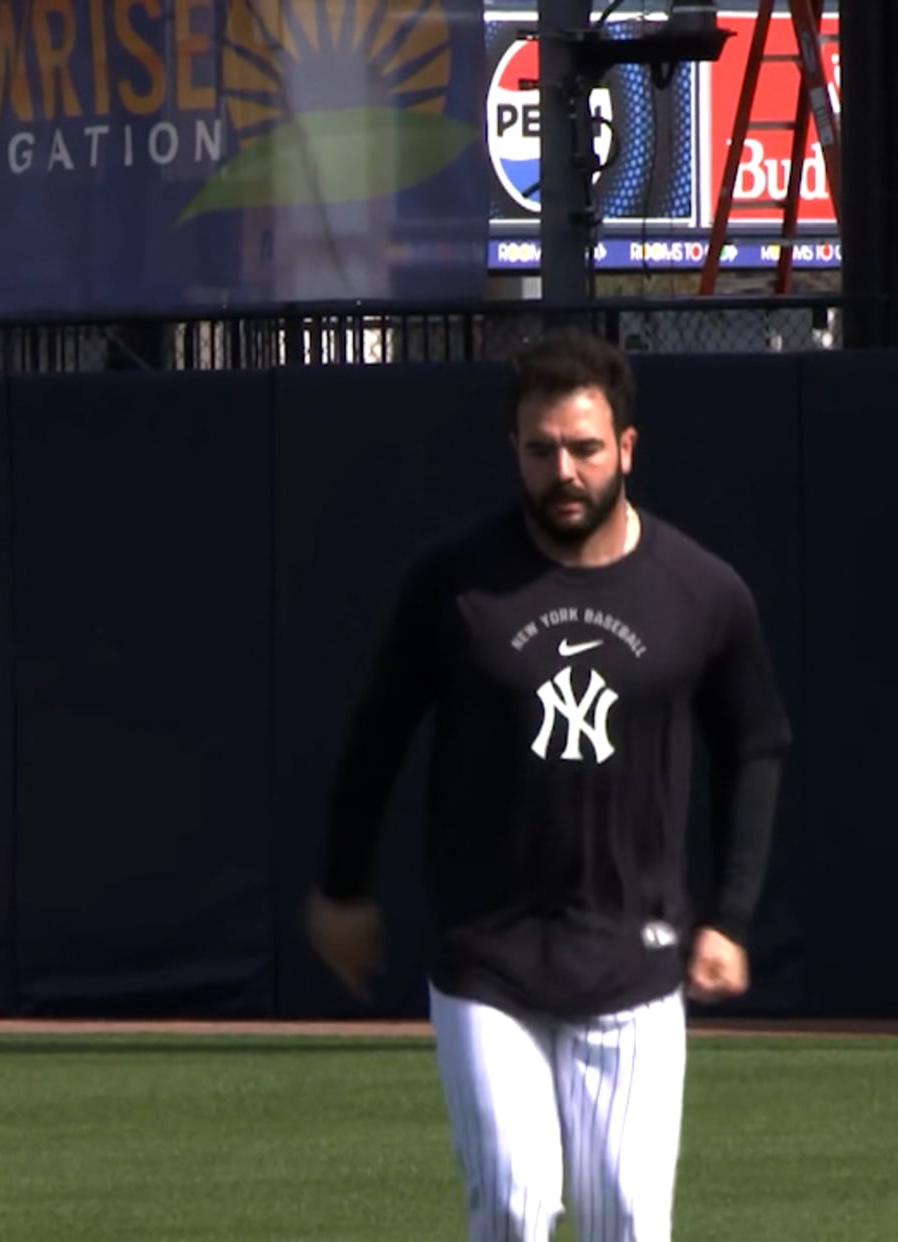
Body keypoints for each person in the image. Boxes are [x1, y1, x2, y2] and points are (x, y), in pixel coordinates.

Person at [306, 328, 791, 1242]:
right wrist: (341, 886)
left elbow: (756, 746)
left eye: (584, 448)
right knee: (516, 1205)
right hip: (488, 956)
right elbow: (375, 738)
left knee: (626, 1222)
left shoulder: (702, 592)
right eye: (541, 450)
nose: (563, 470)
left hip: (635, 961)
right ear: (516, 451)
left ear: (627, 448)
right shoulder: (457, 588)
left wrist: (729, 914)